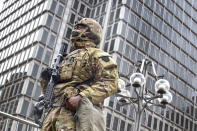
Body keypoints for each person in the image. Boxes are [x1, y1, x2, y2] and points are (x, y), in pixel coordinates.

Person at [40, 18, 119, 131]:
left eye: (80, 27)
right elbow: (51, 92)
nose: (75, 29)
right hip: (52, 113)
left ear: (92, 31)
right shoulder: (65, 58)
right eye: (75, 27)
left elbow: (111, 82)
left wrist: (81, 97)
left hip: (75, 114)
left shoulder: (96, 54)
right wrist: (45, 81)